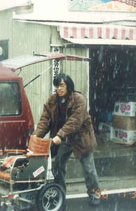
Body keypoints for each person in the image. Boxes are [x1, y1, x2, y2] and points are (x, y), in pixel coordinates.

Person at [32, 73, 101, 206]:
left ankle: (95, 192)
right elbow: (44, 120)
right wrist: (36, 135)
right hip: (64, 138)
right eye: (57, 86)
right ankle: (60, 193)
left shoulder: (79, 99)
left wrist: (60, 134)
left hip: (81, 138)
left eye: (62, 85)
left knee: (89, 169)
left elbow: (75, 121)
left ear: (68, 85)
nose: (59, 88)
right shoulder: (52, 101)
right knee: (58, 166)